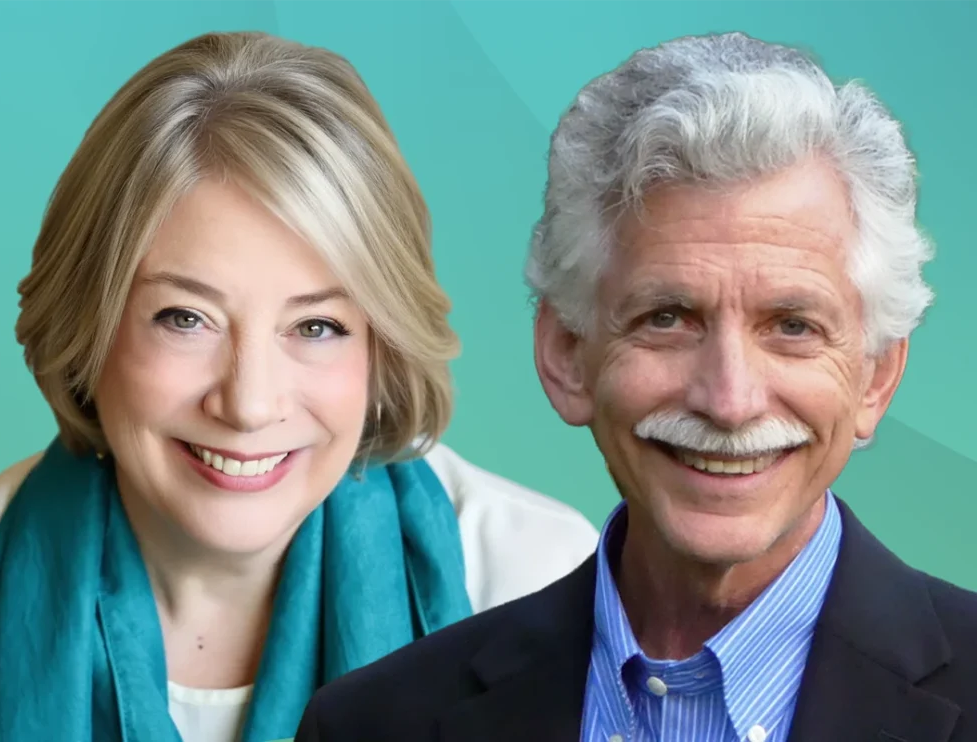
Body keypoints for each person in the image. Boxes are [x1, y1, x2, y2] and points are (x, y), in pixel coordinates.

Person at [292, 31, 977, 742]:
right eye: (668, 319)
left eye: (793, 326)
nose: (730, 401)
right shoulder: (372, 726)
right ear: (566, 354)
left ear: (875, 376)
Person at [0, 31, 599, 742]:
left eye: (316, 326)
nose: (249, 404)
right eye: (185, 318)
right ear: (90, 326)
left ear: (381, 344)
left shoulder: (542, 582)